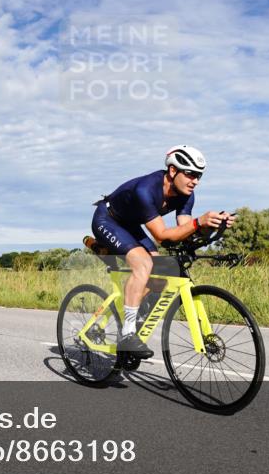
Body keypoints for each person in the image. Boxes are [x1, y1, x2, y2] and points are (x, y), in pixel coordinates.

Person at [90, 145, 234, 358]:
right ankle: (127, 334)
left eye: (199, 176)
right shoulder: (146, 190)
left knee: (159, 268)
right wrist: (198, 222)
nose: (195, 181)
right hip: (107, 219)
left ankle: (131, 308)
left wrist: (211, 226)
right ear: (173, 171)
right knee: (144, 264)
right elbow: (162, 236)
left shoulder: (186, 195)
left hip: (131, 224)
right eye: (190, 174)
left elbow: (185, 232)